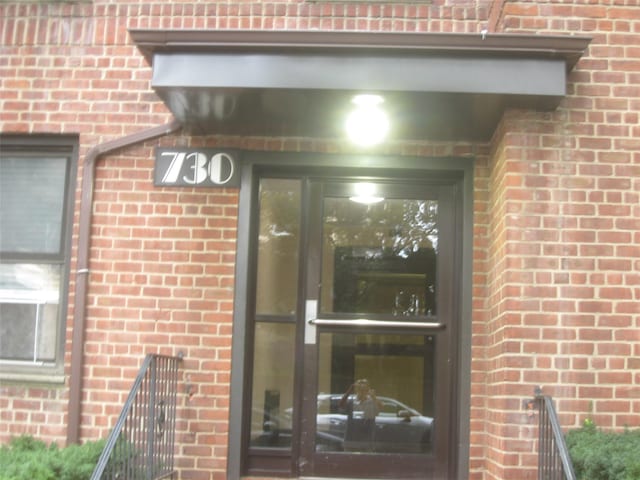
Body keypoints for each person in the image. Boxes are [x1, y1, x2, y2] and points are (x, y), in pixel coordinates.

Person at [339, 379, 382, 451]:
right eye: (360, 389)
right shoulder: (352, 401)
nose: (362, 392)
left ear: (368, 390)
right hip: (351, 440)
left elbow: (381, 407)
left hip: (366, 440)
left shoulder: (371, 402)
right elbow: (341, 405)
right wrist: (349, 390)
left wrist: (374, 397)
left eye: (364, 389)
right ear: (356, 390)